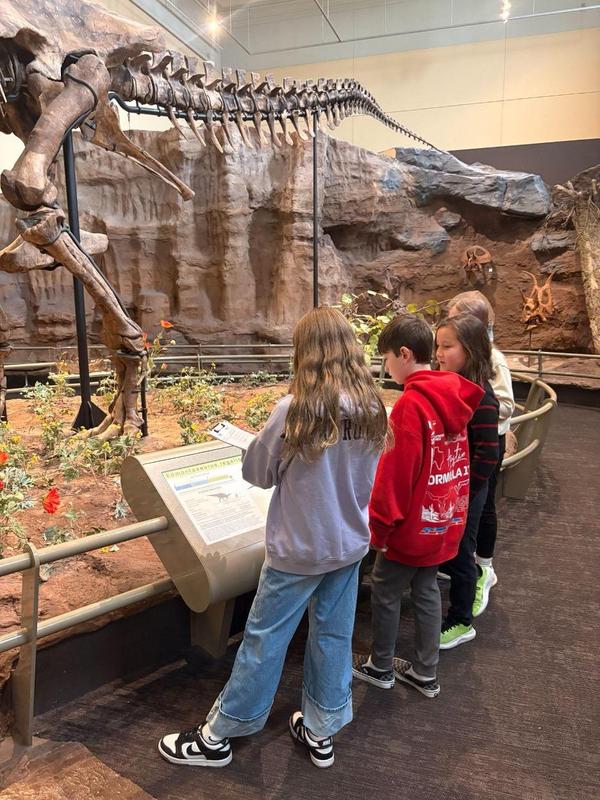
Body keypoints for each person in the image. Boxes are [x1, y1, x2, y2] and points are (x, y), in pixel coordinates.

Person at [158, 307, 388, 770]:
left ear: (305, 352)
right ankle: (321, 729)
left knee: (264, 639)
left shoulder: (295, 410)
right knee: (334, 636)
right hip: (347, 547)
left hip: (298, 552)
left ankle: (220, 735)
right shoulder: (371, 408)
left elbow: (258, 473)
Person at [352, 314, 483, 697]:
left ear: (404, 354)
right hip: (441, 521)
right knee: (426, 589)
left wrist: (380, 528)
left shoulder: (411, 405)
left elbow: (395, 476)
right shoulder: (453, 398)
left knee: (385, 588)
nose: (386, 367)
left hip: (410, 529)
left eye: (387, 358)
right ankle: (426, 671)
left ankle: (380, 665)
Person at [446, 292, 515, 616]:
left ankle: (483, 569)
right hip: (469, 443)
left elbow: (505, 404)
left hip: (486, 444)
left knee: (482, 508)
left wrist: (473, 407)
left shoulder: (492, 361)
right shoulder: (459, 364)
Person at [435, 314, 499, 649]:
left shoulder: (482, 397)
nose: (439, 353)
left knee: (462, 551)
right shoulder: (450, 384)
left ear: (471, 350)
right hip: (450, 484)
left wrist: (463, 493)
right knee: (451, 547)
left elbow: (488, 454)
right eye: (438, 346)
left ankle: (461, 621)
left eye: (447, 346)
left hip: (466, 490)